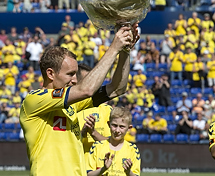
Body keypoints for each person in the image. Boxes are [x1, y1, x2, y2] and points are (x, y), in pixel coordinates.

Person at [20, 23, 139, 176]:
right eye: (70, 74)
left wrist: (124, 51)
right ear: (50, 74)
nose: (75, 80)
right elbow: (86, 90)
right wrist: (114, 48)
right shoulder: (33, 100)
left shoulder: (72, 106)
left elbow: (117, 88)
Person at [86, 107, 141, 176]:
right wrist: (103, 169)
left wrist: (128, 172)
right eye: (114, 125)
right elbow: (89, 174)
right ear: (109, 124)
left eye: (122, 127)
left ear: (129, 128)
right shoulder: (97, 146)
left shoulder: (133, 149)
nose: (117, 130)